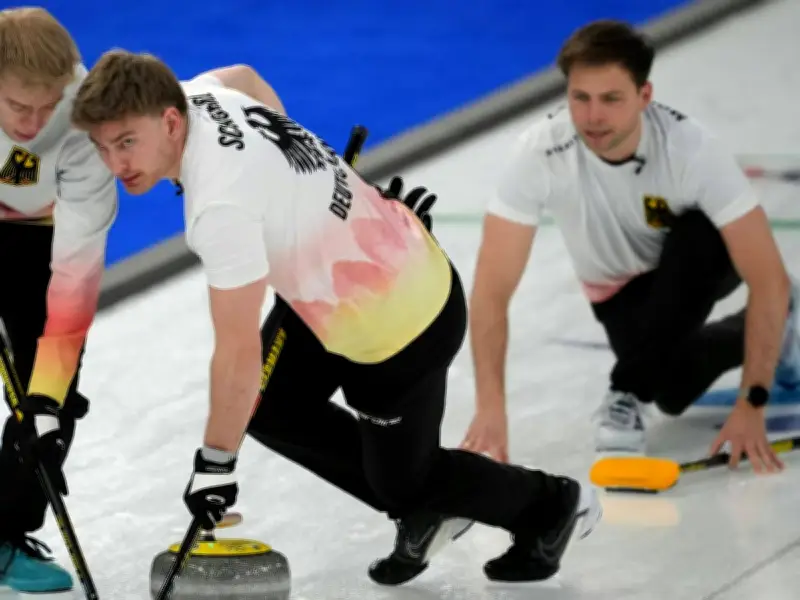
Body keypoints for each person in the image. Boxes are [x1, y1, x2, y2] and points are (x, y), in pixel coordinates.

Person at [70, 50, 603, 586]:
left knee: (403, 483)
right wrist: (302, 190)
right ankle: (424, 508)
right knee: (266, 404)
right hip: (338, 287)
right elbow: (245, 76)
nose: (116, 165)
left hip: (398, 326)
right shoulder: (199, 96)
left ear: (169, 121)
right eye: (103, 147)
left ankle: (549, 505)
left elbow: (236, 354)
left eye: (126, 143)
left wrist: (214, 467)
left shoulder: (218, 210)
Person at [460, 19, 799, 473]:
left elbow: (767, 278)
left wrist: (752, 402)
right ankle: (787, 322)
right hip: (618, 290)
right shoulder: (539, 154)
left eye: (611, 99)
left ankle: (625, 390)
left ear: (644, 96)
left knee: (700, 236)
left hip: (699, 262)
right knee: (673, 388)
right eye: (580, 98)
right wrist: (489, 408)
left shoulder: (691, 150)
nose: (593, 116)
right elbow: (490, 291)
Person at [0, 7, 118, 595]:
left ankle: (4, 533)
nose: (34, 122)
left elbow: (75, 272)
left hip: (37, 234)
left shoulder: (84, 123)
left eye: (48, 107)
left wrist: (45, 393)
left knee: (53, 405)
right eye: (19, 107)